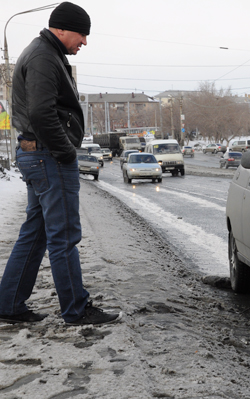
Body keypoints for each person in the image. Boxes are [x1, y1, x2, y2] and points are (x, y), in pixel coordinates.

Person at [0, 2, 120, 325]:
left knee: (36, 232)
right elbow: (41, 113)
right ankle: (76, 310)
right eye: (82, 34)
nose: (84, 41)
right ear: (62, 28)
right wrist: (66, 152)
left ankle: (9, 303)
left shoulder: (45, 53)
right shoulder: (42, 56)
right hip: (48, 156)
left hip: (37, 154)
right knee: (64, 235)